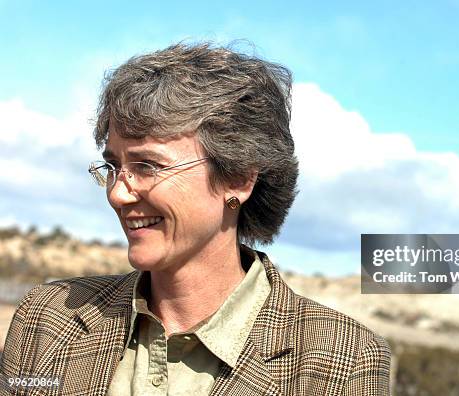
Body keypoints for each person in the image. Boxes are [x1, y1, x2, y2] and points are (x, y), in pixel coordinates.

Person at [0, 42, 390, 395]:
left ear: (237, 177)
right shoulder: (46, 319)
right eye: (113, 166)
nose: (118, 192)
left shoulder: (342, 363)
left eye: (148, 165)